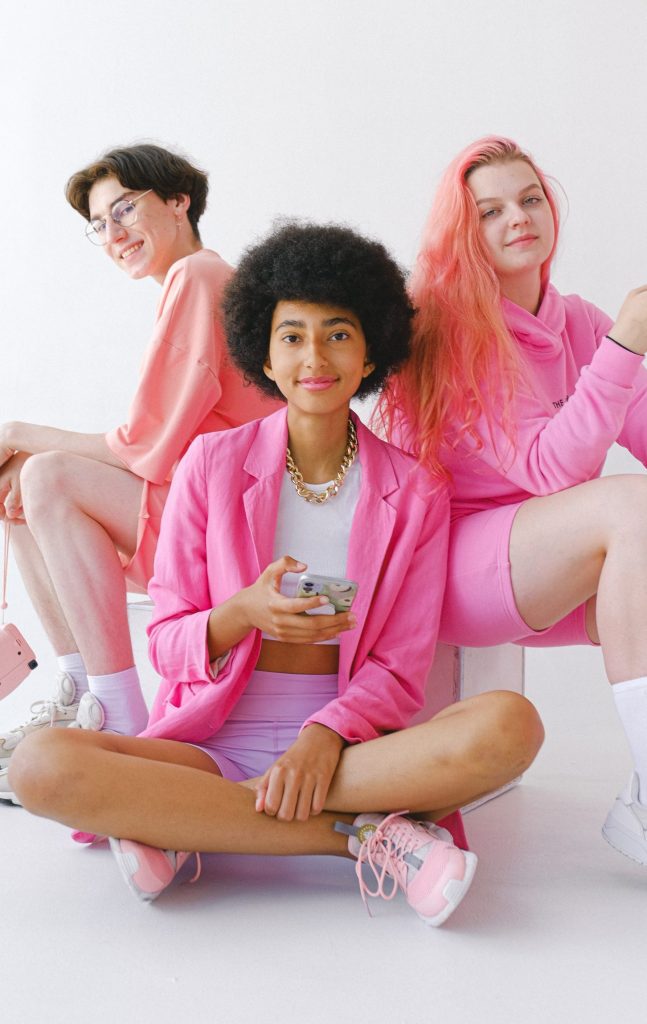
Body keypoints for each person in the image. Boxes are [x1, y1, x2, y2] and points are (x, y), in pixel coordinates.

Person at [8, 222, 542, 924]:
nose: (313, 357)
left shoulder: (415, 491)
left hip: (351, 748)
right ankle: (361, 837)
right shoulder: (210, 465)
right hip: (212, 742)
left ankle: (184, 828)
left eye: (337, 334)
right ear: (261, 346)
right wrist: (240, 614)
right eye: (291, 336)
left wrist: (321, 742)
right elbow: (167, 641)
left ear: (369, 347)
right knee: (39, 766)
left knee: (511, 725)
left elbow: (402, 665)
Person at [378, 135, 647, 865]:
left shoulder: (577, 322)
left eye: (529, 199)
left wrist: (615, 343)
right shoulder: (456, 333)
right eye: (490, 210)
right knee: (631, 507)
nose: (517, 217)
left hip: (541, 562)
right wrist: (626, 343)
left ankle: (636, 806)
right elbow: (549, 471)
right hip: (455, 570)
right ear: (466, 235)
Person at [0, 144, 280, 800]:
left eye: (124, 209)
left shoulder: (199, 277)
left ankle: (117, 718)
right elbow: (154, 449)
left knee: (43, 475)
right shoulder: (191, 286)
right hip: (203, 515)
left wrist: (16, 432)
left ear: (178, 201)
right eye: (99, 225)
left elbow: (145, 446)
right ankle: (78, 694)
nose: (113, 233)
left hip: (233, 532)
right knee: (19, 488)